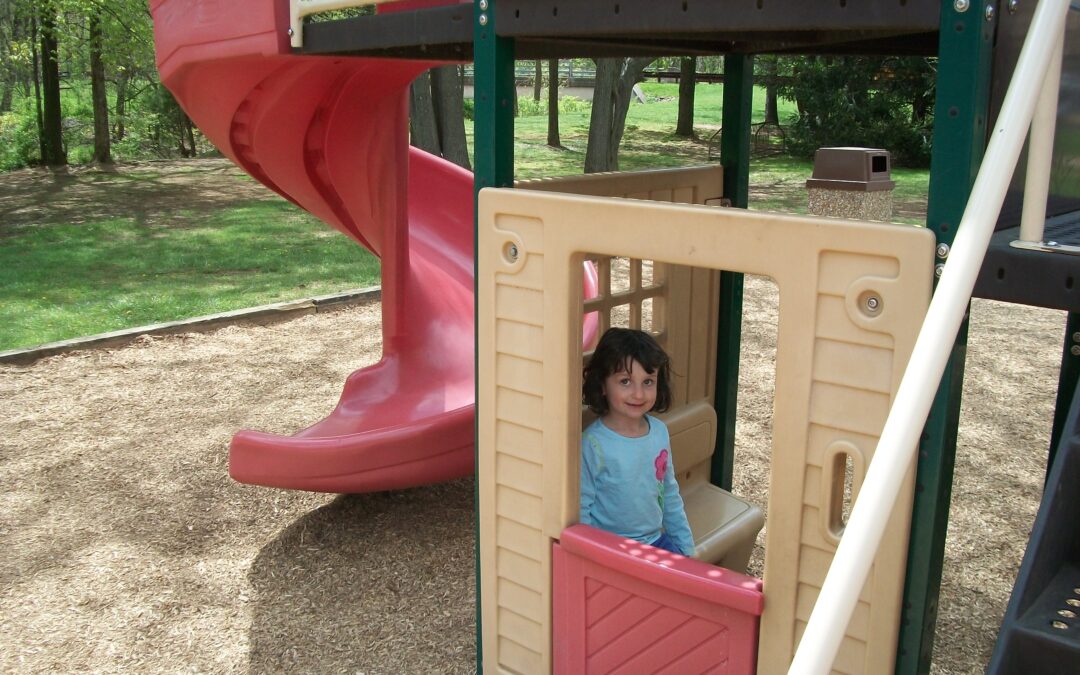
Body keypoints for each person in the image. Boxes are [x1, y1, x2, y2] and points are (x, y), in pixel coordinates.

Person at [579, 327, 695, 556]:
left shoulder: (659, 432)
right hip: (612, 550)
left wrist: (686, 548)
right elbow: (582, 509)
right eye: (625, 381)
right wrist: (592, 557)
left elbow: (669, 493)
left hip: (656, 541)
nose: (638, 394)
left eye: (648, 382)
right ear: (602, 385)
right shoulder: (593, 444)